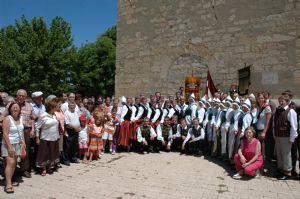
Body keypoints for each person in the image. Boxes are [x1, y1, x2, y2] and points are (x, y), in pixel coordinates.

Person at [1, 102, 25, 193]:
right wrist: (10, 147)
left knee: (14, 163)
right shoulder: (7, 119)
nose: (15, 109)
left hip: (18, 144)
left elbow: (21, 131)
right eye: (14, 107)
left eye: (17, 107)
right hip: (8, 144)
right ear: (10, 109)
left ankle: (8, 180)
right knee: (10, 163)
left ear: (20, 109)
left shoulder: (20, 118)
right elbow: (5, 134)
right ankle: (8, 184)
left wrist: (23, 142)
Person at [273, 95, 298, 180]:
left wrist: (292, 138)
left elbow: (294, 127)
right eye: (279, 101)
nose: (280, 102)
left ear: (287, 101)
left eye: (282, 101)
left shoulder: (291, 111)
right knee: (279, 154)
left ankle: (287, 172)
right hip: (278, 136)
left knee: (286, 155)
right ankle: (280, 171)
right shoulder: (278, 110)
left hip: (286, 137)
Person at [35, 99, 60, 176]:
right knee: (44, 153)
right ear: (52, 107)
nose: (57, 107)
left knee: (52, 153)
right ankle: (44, 168)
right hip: (45, 138)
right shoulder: (43, 116)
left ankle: (50, 167)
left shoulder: (55, 115)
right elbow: (37, 127)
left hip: (54, 137)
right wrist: (37, 138)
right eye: (56, 106)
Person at [16, 89, 34, 178]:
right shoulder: (12, 104)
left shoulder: (29, 105)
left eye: (23, 96)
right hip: (14, 131)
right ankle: (14, 170)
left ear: (25, 97)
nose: (21, 97)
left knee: (25, 150)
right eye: (19, 95)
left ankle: (24, 169)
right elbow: (4, 115)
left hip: (26, 130)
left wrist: (32, 130)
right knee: (15, 149)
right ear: (17, 96)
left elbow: (32, 118)